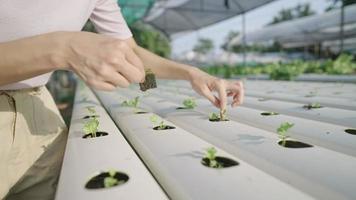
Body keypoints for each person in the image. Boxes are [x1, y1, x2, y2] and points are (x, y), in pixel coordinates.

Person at [0, 0, 244, 199]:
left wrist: (192, 74)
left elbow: (131, 52)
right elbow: (66, 49)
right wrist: (62, 48)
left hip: (37, 108)